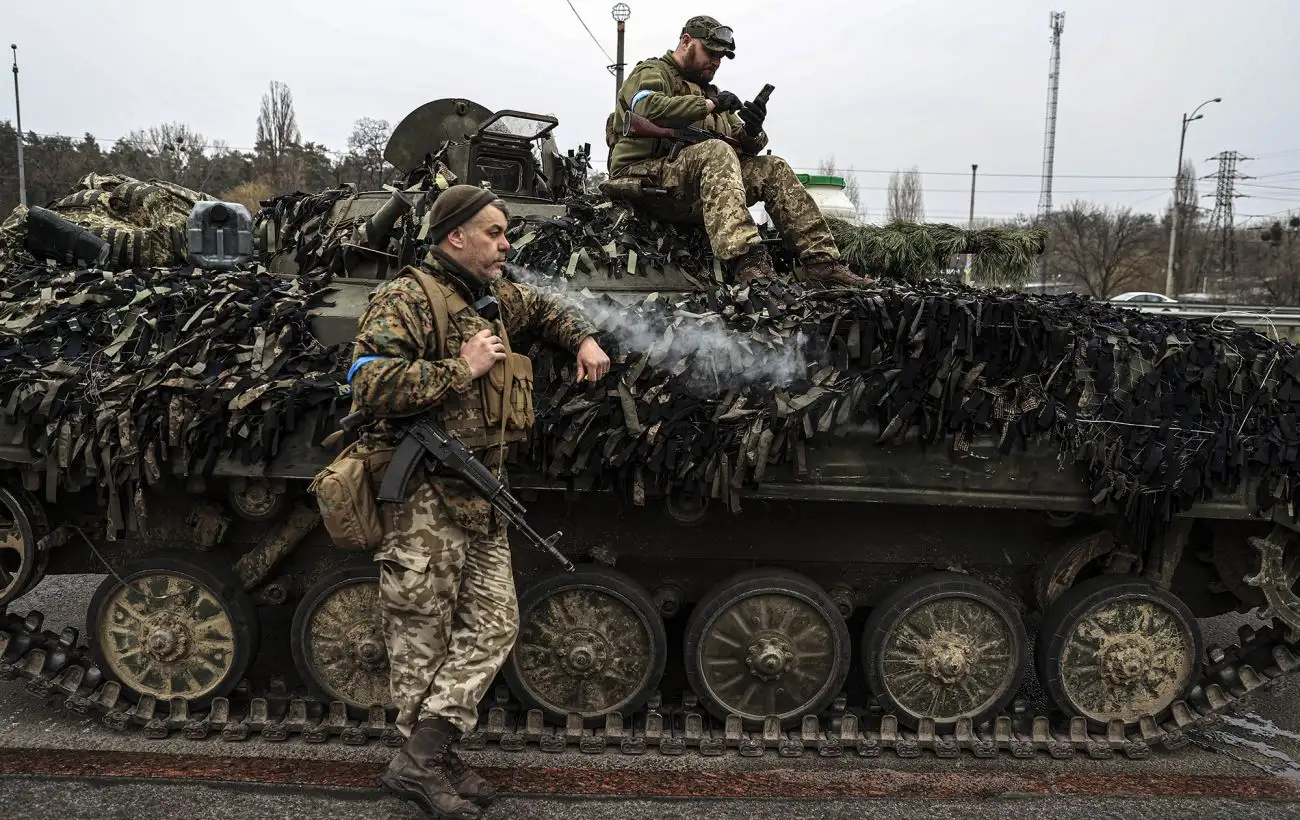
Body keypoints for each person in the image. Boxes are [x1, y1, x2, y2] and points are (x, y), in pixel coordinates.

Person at [346, 184, 610, 819]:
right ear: (455, 236)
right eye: (494, 232)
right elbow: (366, 381)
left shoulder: (491, 302)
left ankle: (424, 755)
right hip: (422, 501)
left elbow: (544, 309)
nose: (505, 243)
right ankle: (427, 762)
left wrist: (581, 339)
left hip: (481, 497)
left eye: (506, 232)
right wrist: (461, 369)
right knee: (421, 640)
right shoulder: (407, 297)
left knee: (496, 624)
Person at [607, 15, 870, 288]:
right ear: (686, 42)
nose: (716, 61)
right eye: (711, 52)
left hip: (690, 186)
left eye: (721, 56)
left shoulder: (710, 92)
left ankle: (822, 262)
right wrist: (709, 104)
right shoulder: (652, 73)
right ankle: (747, 260)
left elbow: (741, 142)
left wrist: (753, 128)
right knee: (717, 151)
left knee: (772, 167)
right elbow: (648, 108)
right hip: (645, 179)